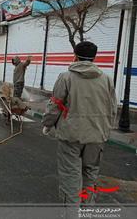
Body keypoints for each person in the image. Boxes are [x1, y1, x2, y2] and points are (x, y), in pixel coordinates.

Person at [42, 41, 117, 204]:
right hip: (97, 137)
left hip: (71, 137)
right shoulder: (107, 79)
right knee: (90, 176)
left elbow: (55, 105)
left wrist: (47, 124)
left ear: (75, 56)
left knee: (71, 178)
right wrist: (105, 130)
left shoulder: (66, 77)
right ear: (94, 58)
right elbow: (112, 109)